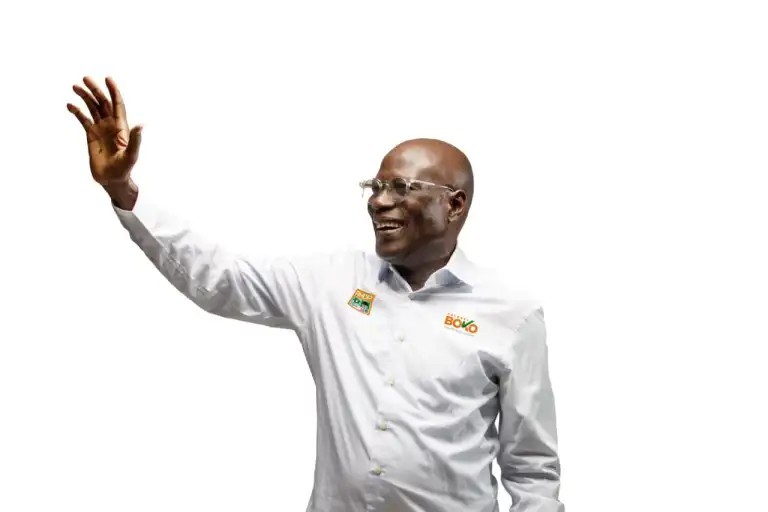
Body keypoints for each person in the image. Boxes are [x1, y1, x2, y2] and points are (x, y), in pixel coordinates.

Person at [67, 76, 565, 512]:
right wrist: (123, 190)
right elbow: (220, 277)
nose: (379, 201)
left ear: (454, 205)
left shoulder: (510, 314)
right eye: (375, 186)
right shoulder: (333, 283)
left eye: (400, 187)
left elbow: (532, 469)